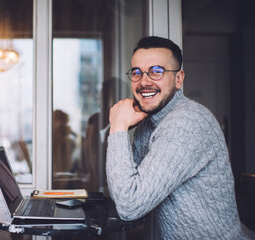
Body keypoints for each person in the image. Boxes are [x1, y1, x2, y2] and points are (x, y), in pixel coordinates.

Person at [106, 36, 255, 239]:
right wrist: (123, 127)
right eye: (136, 72)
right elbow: (129, 189)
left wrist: (118, 126)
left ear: (179, 79)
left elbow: (129, 205)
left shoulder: (187, 122)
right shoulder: (148, 122)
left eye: (156, 71)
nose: (144, 81)